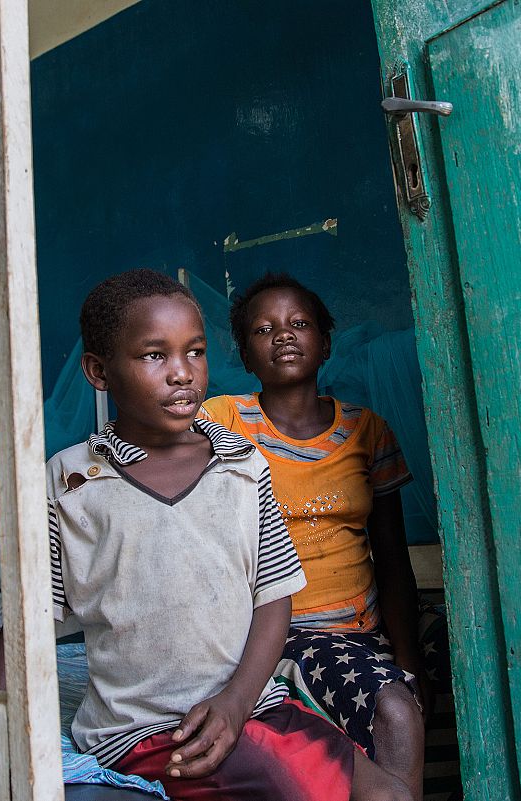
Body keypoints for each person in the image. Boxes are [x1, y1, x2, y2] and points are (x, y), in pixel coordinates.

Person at [0, 269, 410, 801]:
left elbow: (273, 599)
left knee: (389, 794)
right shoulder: (71, 482)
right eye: (153, 356)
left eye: (195, 352)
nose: (182, 374)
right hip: (149, 733)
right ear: (98, 371)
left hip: (254, 707)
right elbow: (27, 622)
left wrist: (236, 702)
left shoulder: (242, 466)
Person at [200, 272, 428, 796]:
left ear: (325, 344)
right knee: (394, 708)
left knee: (455, 675)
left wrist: (407, 655)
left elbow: (392, 557)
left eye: (299, 324)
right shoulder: (224, 420)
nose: (283, 335)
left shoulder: (366, 430)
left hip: (361, 626)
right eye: (264, 329)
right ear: (245, 355)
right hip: (278, 631)